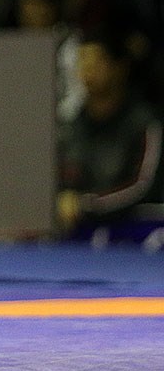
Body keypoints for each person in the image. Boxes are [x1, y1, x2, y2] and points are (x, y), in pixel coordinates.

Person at [57, 30, 164, 242]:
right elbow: (59, 178)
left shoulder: (144, 124)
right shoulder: (70, 125)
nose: (87, 70)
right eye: (82, 61)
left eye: (97, 61)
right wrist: (61, 200)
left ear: (119, 67)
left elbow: (142, 186)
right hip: (75, 237)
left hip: (138, 236)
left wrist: (86, 205)